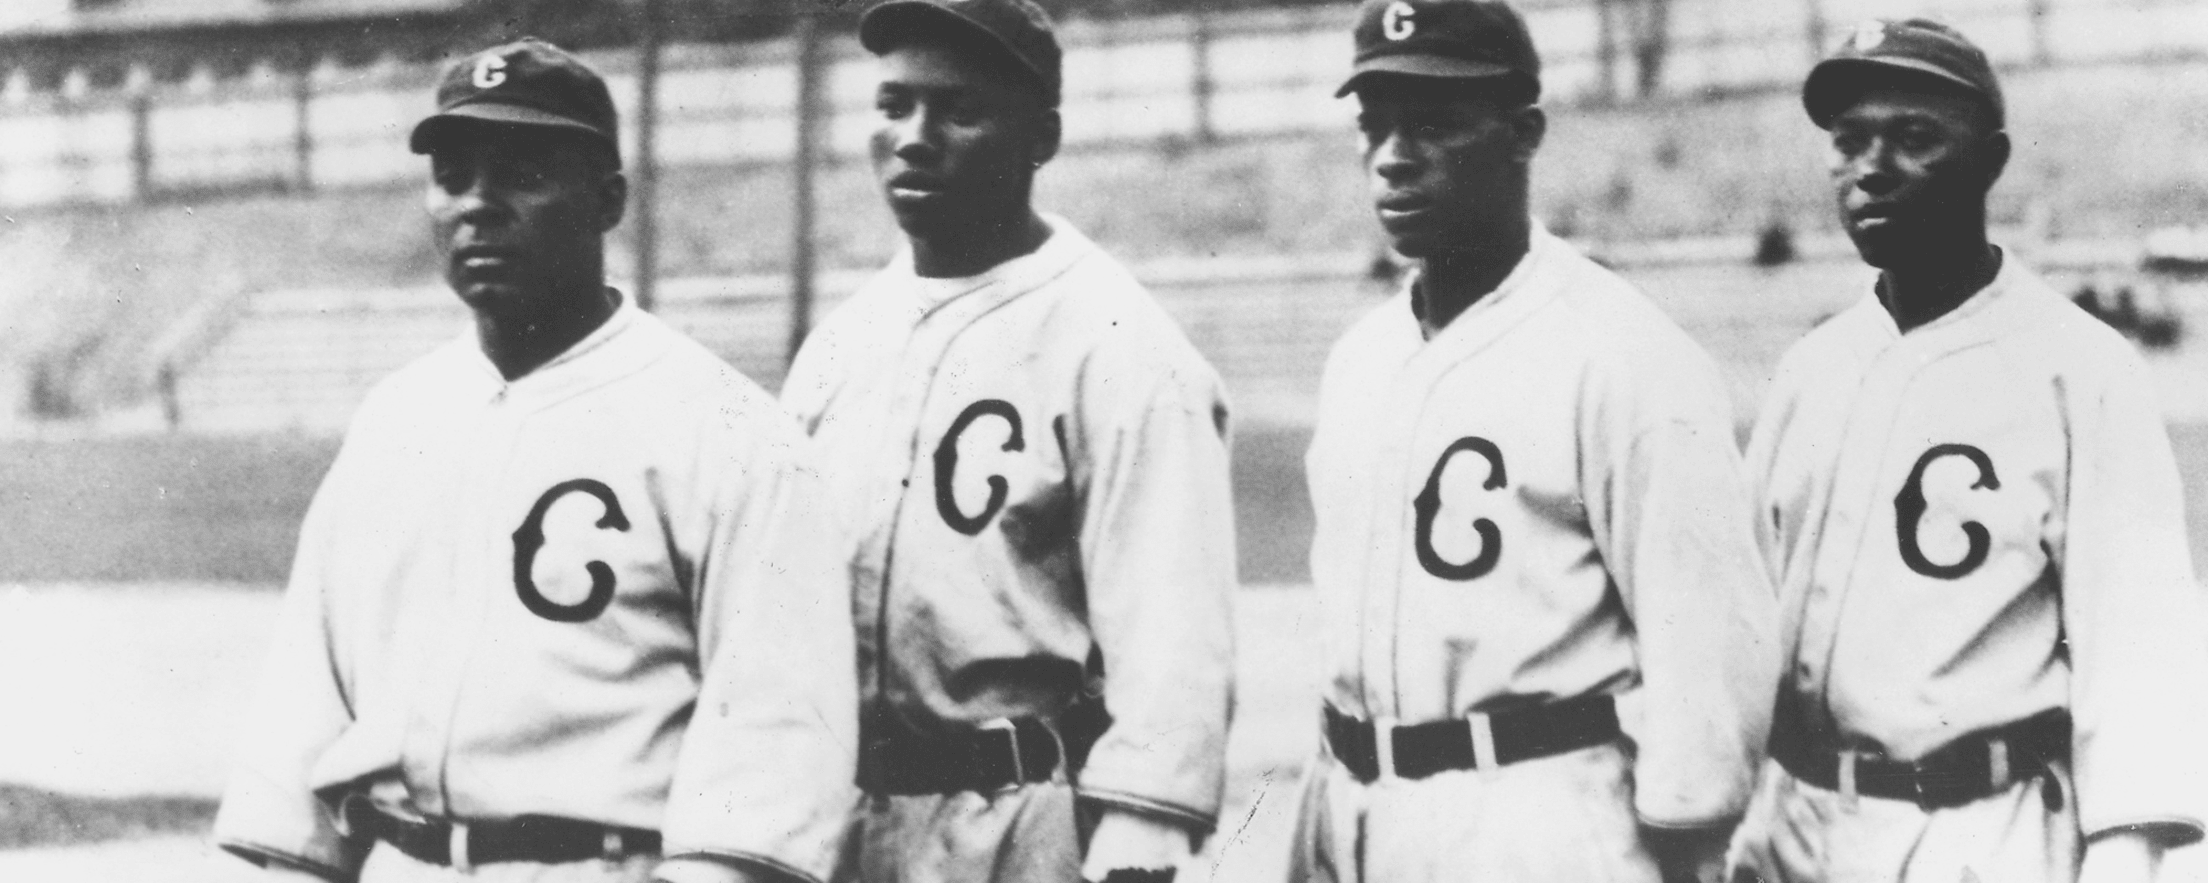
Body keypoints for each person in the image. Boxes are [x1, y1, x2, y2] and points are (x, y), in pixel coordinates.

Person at [212, 38, 857, 883]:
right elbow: (308, 703)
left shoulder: (725, 428)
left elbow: (776, 739)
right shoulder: (397, 418)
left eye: (522, 173)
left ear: (607, 199)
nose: (478, 206)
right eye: (452, 177)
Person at [1291, 2, 1780, 881]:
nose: (1393, 157)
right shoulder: (1359, 360)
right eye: (1376, 126)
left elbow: (1709, 646)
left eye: (1435, 124)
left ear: (1524, 134)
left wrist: (1685, 840)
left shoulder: (1624, 354)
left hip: (1533, 810)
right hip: (1358, 801)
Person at [1727, 18, 2208, 883]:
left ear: (1990, 160)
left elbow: (2139, 650)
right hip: (1800, 825)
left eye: (1913, 138)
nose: (1870, 166)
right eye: (1849, 142)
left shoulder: (2082, 370)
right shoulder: (1812, 368)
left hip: (1980, 829)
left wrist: (2125, 857)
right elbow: (1742, 623)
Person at [778, 2, 1237, 882]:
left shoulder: (1118, 345)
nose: (915, 137)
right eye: (893, 105)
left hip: (1018, 815)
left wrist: (1144, 840)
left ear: (1042, 136)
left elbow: (1171, 639)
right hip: (843, 824)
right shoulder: (840, 344)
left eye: (958, 110)